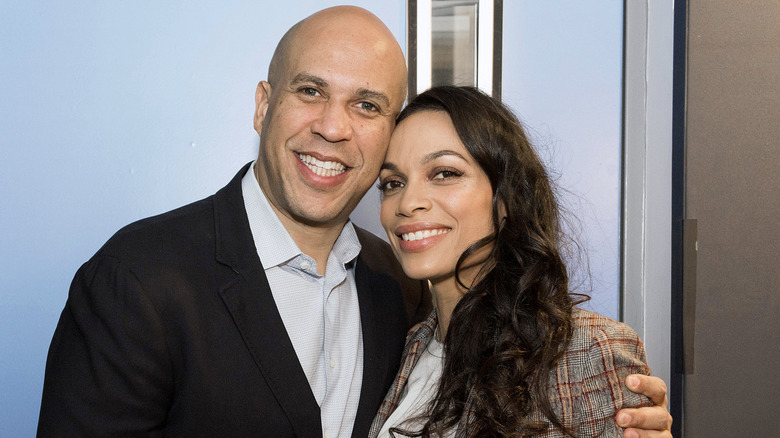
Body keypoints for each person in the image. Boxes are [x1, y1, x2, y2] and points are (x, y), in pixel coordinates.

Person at [37, 6, 671, 438]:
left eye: (366, 105)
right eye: (310, 91)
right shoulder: (138, 276)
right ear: (264, 104)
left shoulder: (394, 285)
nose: (334, 127)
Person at [370, 86, 668, 437]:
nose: (408, 201)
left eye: (445, 173)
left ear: (506, 198)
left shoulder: (585, 349)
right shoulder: (414, 345)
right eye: (393, 182)